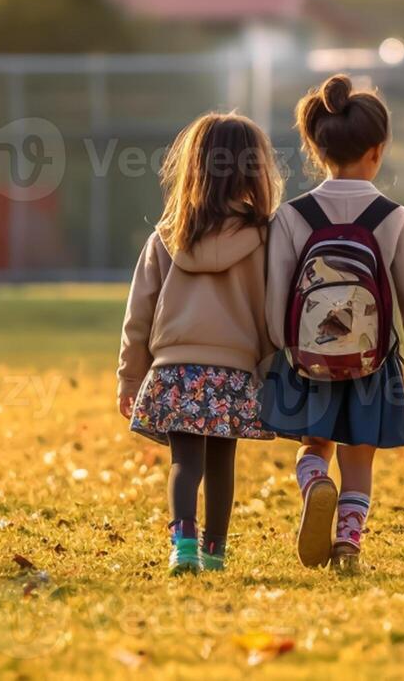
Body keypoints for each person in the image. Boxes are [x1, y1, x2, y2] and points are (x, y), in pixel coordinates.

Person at [263, 75, 404, 570]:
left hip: (308, 360)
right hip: (371, 364)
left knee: (314, 443)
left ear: (316, 148)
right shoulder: (393, 217)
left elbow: (275, 296)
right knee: (360, 457)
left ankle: (313, 482)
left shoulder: (290, 216)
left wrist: (277, 347)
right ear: (377, 149)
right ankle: (348, 544)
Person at [116, 113, 282, 575]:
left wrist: (130, 376)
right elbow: (272, 312)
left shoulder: (165, 237)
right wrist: (271, 368)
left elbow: (139, 316)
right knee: (223, 464)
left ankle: (182, 544)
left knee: (183, 464)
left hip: (174, 371)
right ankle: (216, 550)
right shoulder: (266, 238)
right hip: (233, 373)